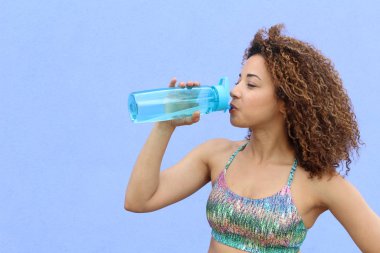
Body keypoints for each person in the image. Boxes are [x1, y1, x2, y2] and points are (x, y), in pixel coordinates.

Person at [124, 24, 380, 253]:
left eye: (251, 84)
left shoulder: (317, 181)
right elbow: (139, 200)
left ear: (286, 102)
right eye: (238, 80)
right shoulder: (217, 155)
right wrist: (165, 126)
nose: (235, 91)